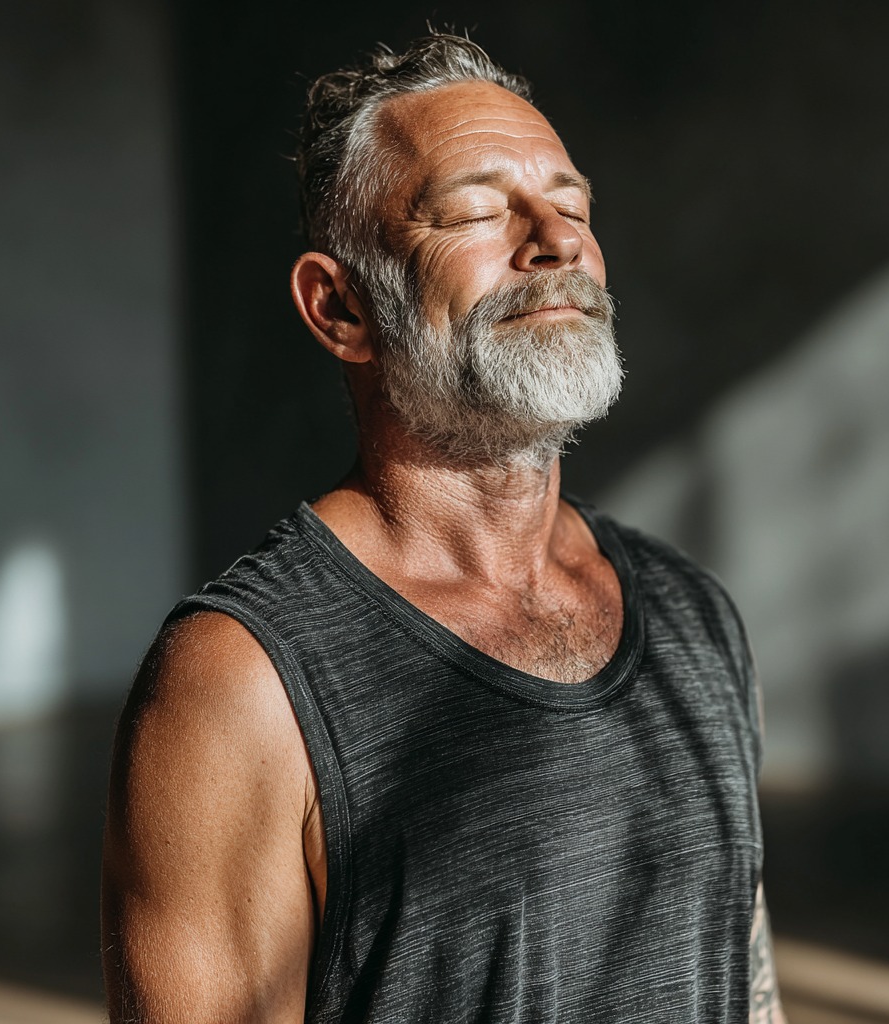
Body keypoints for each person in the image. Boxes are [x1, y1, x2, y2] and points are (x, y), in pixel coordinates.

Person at [101, 34, 785, 1024]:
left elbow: (747, 987)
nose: (555, 243)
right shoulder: (236, 684)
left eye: (572, 206)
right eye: (473, 210)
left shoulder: (694, 614)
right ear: (339, 307)